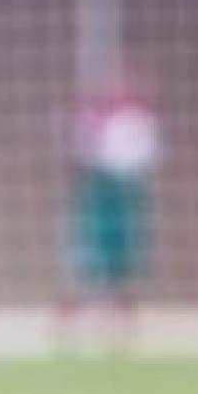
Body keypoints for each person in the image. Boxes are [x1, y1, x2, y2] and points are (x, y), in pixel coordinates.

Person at [59, 74, 162, 350]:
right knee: (88, 256)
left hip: (123, 192)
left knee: (122, 258)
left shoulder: (137, 120)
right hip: (100, 190)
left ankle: (120, 318)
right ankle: (75, 316)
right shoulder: (95, 119)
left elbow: (146, 160)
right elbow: (77, 157)